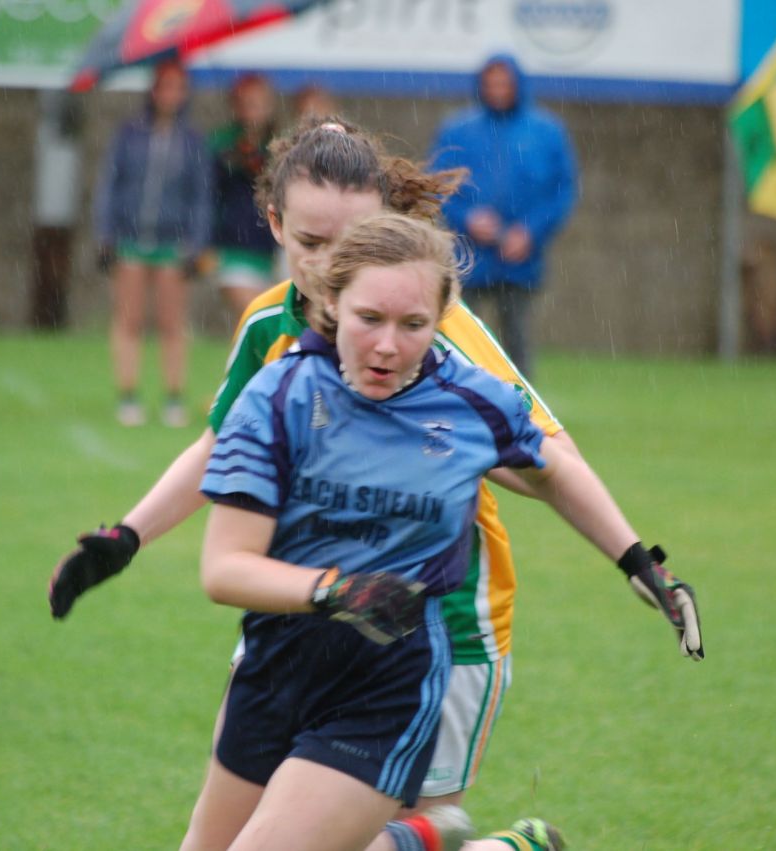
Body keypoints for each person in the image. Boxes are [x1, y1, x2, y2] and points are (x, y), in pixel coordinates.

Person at [49, 120, 702, 851]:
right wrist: (128, 534)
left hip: (440, 624)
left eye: (351, 242)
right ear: (274, 223)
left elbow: (547, 456)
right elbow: (220, 449)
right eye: (311, 243)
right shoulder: (274, 335)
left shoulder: (425, 333)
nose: (330, 266)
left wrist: (631, 556)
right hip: (297, 620)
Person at [429, 54, 578, 380]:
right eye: (491, 83)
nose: (498, 90)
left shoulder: (546, 132)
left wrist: (529, 232)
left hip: (519, 257)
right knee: (459, 334)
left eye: (504, 83)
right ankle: (455, 396)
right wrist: (467, 219)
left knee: (517, 341)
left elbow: (561, 191)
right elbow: (437, 186)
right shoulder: (458, 130)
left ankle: (525, 410)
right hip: (468, 255)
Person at [94, 59, 212, 428]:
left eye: (178, 87)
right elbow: (109, 186)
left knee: (172, 323)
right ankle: (128, 395)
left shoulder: (192, 141)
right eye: (165, 86)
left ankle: (173, 396)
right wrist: (105, 233)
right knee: (128, 319)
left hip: (172, 244)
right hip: (130, 239)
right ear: (153, 90)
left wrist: (196, 243)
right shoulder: (129, 134)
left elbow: (201, 196)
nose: (170, 94)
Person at [207, 73, 280, 321]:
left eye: (258, 103)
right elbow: (208, 198)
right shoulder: (222, 147)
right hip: (233, 249)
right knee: (255, 316)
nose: (252, 111)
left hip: (273, 249)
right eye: (246, 103)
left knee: (272, 322)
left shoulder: (280, 148)